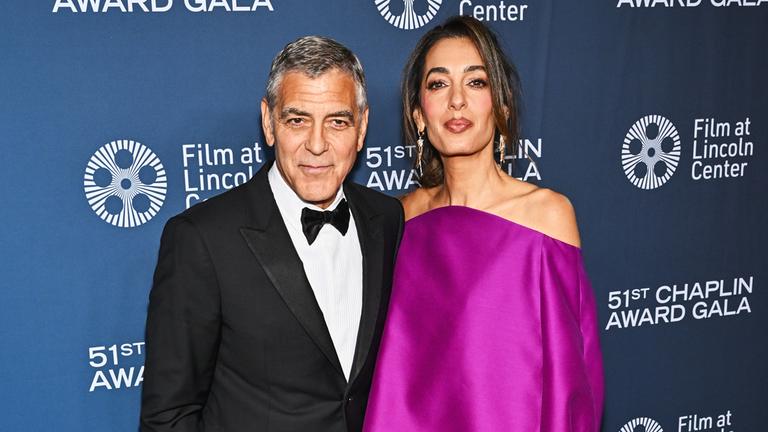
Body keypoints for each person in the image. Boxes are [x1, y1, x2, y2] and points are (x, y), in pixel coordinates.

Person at [140, 36, 404, 432]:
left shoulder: (387, 218)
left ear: (362, 127)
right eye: (297, 120)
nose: (317, 145)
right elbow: (168, 416)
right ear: (269, 122)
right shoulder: (201, 239)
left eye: (338, 121)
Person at [363, 16, 604, 432]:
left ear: (502, 105)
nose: (457, 100)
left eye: (476, 83)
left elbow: (570, 388)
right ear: (420, 115)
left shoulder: (544, 218)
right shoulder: (397, 221)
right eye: (438, 84)